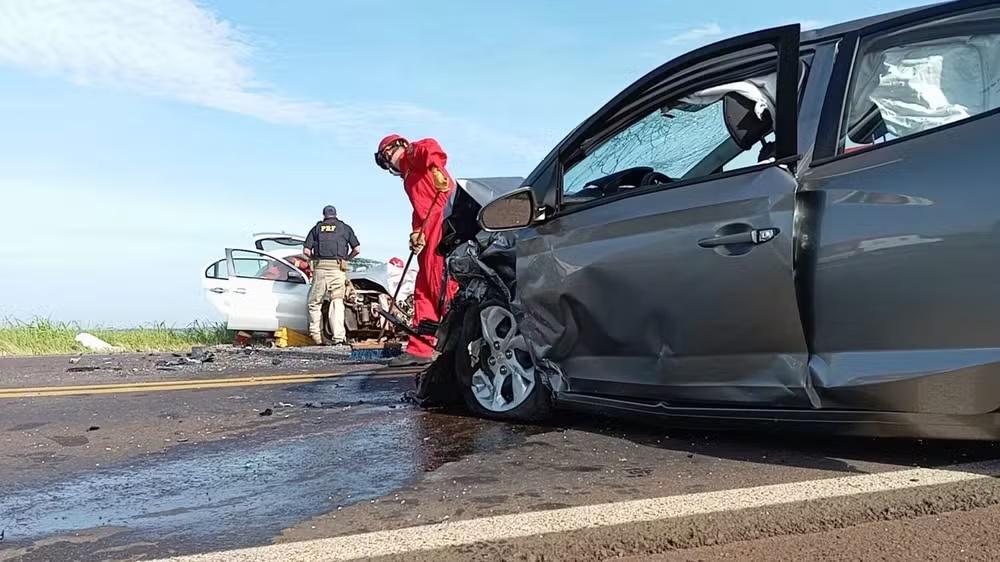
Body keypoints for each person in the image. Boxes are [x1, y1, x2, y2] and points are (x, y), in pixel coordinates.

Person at [375, 134, 458, 366]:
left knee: (440, 284)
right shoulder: (408, 178)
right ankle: (420, 348)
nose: (388, 164)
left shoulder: (413, 155)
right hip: (427, 227)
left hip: (442, 222)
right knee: (423, 290)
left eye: (386, 158)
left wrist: (435, 166)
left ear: (394, 149)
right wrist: (416, 232)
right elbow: (418, 209)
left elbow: (431, 149)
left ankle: (460, 339)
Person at [303, 205, 360, 345]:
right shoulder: (344, 228)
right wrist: (346, 259)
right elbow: (357, 249)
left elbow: (306, 251)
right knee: (337, 301)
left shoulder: (317, 228)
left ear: (323, 215)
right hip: (337, 270)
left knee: (314, 303)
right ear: (336, 214)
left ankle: (316, 337)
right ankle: (339, 338)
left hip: (320, 269)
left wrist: (313, 260)